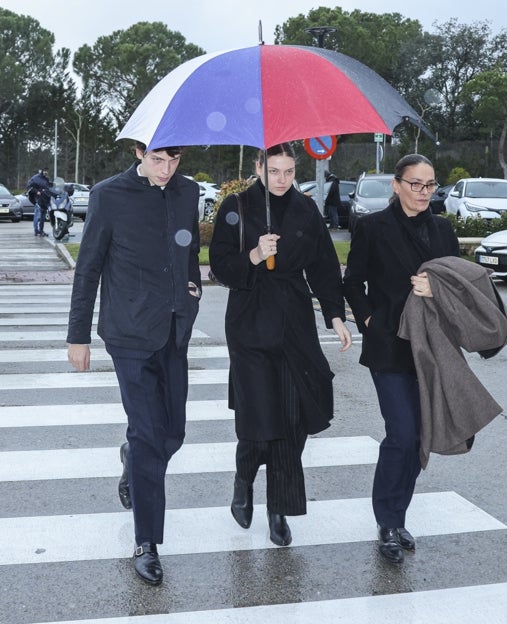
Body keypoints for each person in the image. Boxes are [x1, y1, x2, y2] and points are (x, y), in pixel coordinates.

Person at [66, 141, 202, 586]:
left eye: (173, 161)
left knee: (173, 433)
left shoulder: (187, 192)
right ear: (139, 153)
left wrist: (191, 292)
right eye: (157, 160)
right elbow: (88, 267)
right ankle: (147, 541)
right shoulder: (109, 195)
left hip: (174, 332)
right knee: (148, 434)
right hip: (127, 334)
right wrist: (77, 336)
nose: (165, 170)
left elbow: (188, 252)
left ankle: (132, 459)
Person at [209, 143, 352, 547]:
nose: (282, 179)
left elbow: (324, 264)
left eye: (289, 171)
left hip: (293, 322)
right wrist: (253, 254)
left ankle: (278, 510)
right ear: (258, 167)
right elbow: (219, 265)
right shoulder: (235, 205)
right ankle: (244, 478)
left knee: (291, 420)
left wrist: (335, 316)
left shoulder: (305, 209)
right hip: (249, 324)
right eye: (274, 171)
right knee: (260, 420)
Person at [342, 153, 460, 564]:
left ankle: (398, 514)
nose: (424, 192)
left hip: (431, 346)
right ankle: (387, 521)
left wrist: (436, 290)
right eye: (416, 184)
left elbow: (460, 282)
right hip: (389, 345)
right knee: (403, 433)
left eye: (430, 185)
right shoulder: (372, 227)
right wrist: (369, 320)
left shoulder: (442, 229)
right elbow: (352, 281)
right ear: (396, 184)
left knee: (419, 437)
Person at [27, 167, 52, 236]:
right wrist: (37, 191)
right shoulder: (35, 178)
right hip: (38, 200)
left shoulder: (46, 179)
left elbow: (48, 188)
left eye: (47, 171)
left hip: (45, 200)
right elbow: (29, 187)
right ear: (42, 171)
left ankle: (41, 231)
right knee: (37, 216)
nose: (46, 172)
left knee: (43, 217)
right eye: (45, 171)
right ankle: (36, 230)